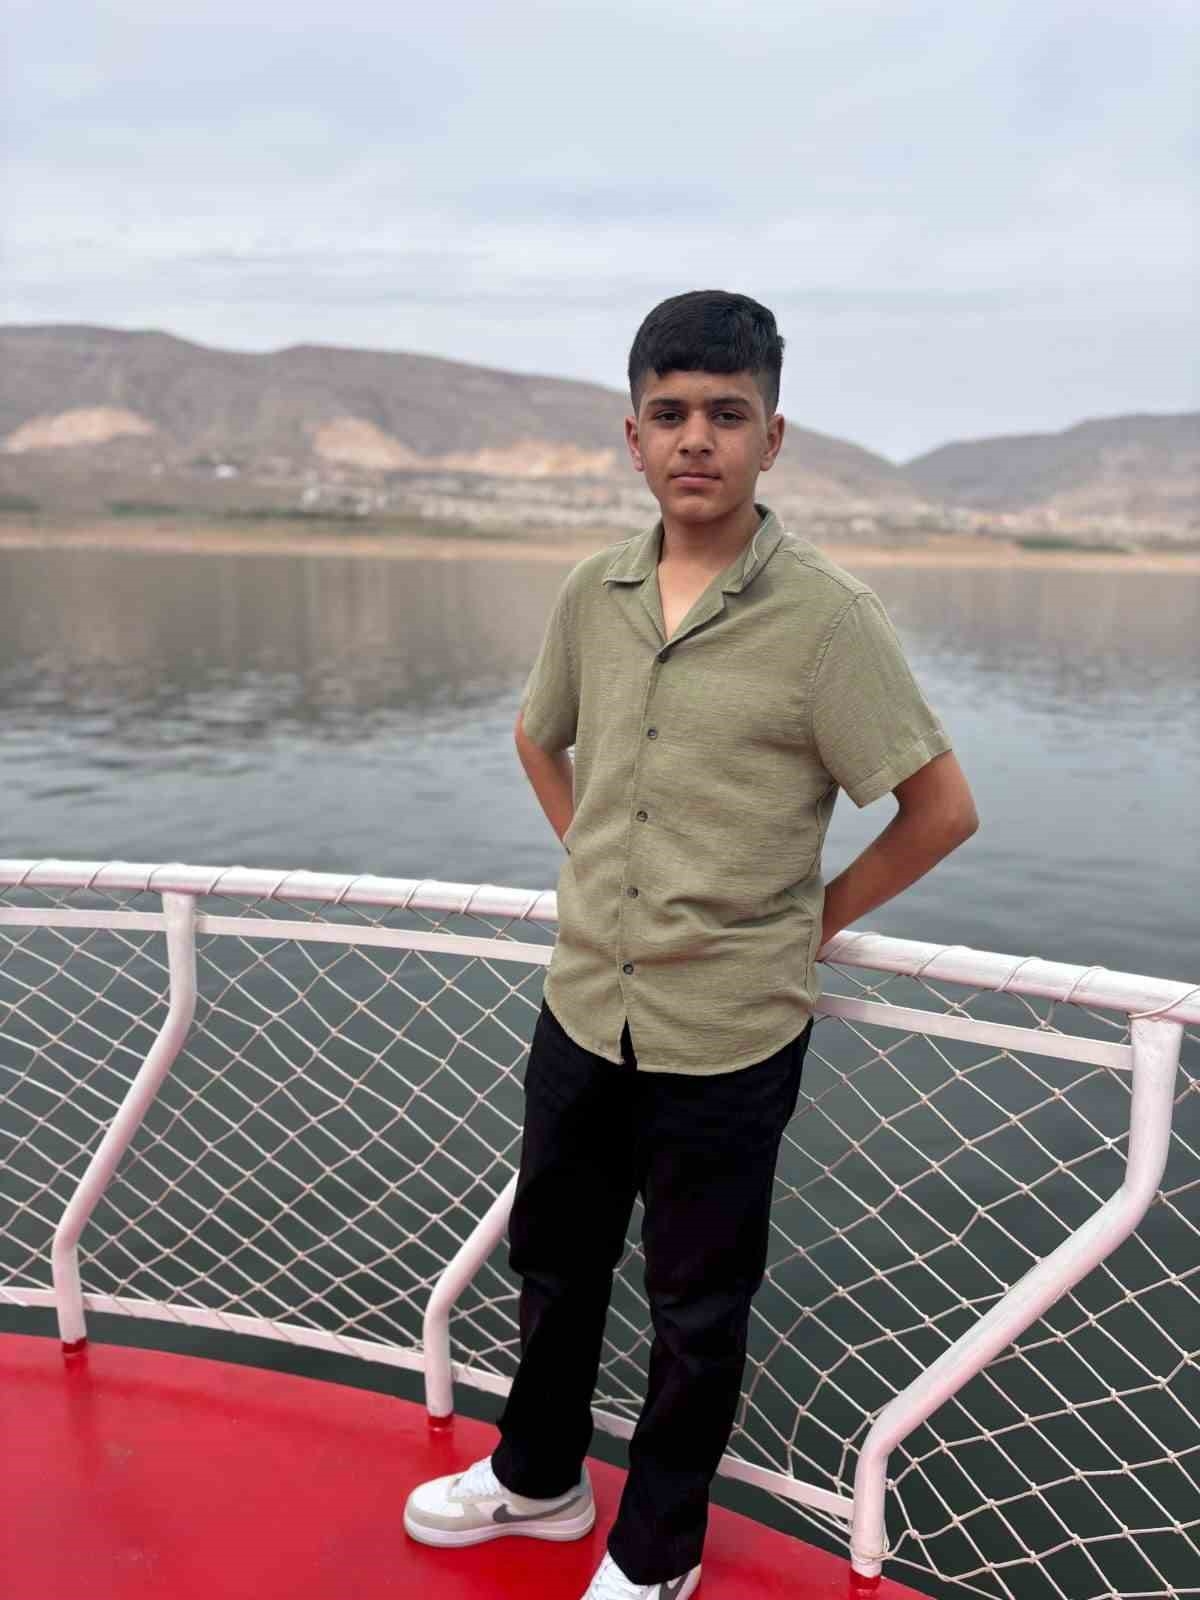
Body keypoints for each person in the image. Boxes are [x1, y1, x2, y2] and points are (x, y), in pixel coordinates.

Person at [404, 289, 979, 1599]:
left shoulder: (828, 620)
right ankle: (537, 1480)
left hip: (728, 1031)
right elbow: (538, 737)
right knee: (554, 1265)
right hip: (581, 1005)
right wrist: (598, 866)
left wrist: (808, 921)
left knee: (697, 1309)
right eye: (669, 414)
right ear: (633, 437)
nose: (696, 439)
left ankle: (658, 1550)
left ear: (774, 437)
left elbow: (941, 811)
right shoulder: (592, 593)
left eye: (727, 413)